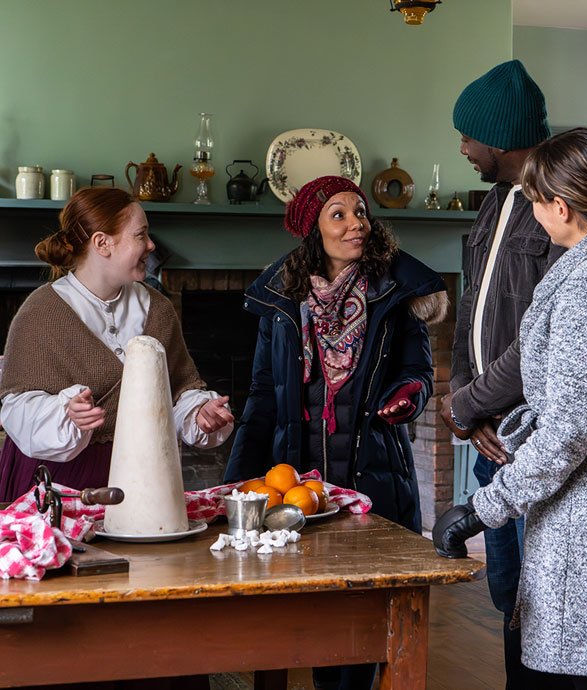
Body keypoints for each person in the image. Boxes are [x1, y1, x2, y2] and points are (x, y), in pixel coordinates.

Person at [433, 127, 587, 690]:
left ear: (560, 207)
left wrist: (481, 509)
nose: (531, 212)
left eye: (534, 202)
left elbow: (568, 433)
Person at [224, 175, 447, 690]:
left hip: (374, 475)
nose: (356, 225)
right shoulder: (284, 303)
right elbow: (262, 394)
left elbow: (418, 369)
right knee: (316, 610)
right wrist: (236, 482)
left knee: (368, 611)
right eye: (339, 214)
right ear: (313, 231)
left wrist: (411, 393)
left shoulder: (393, 295)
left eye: (361, 213)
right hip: (299, 481)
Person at [439, 58, 564, 688]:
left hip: (537, 441)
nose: (461, 146)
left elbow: (546, 340)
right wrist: (467, 398)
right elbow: (472, 308)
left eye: (468, 135)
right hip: (494, 431)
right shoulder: (493, 202)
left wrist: (475, 406)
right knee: (507, 589)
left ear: (499, 134)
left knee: (544, 600)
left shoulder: (558, 206)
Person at [0, 186, 235, 504]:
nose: (151, 245)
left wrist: (199, 412)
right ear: (102, 243)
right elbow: (15, 406)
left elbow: (179, 390)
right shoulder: (40, 313)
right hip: (58, 484)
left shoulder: (157, 308)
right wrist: (64, 414)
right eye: (141, 235)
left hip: (141, 476)